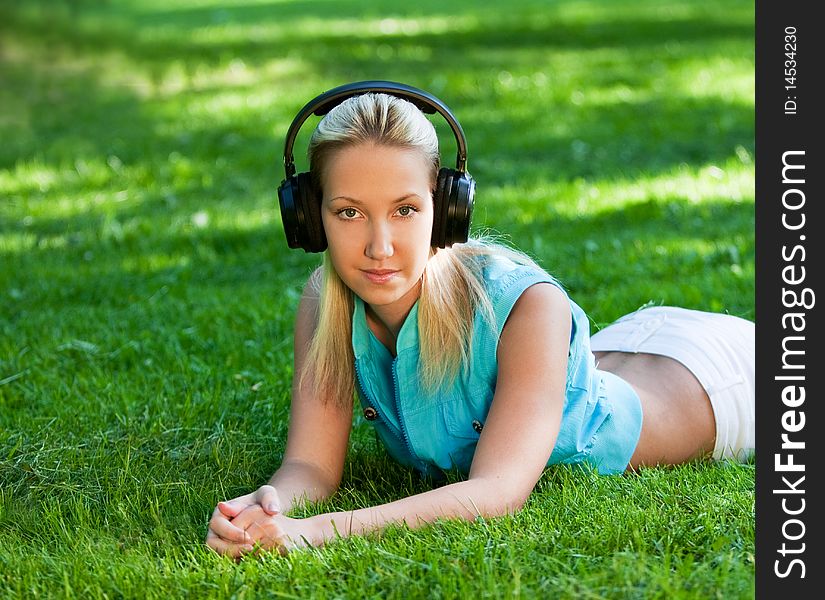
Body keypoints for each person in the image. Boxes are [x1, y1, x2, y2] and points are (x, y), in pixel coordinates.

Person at [205, 82, 755, 558]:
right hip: (633, 346)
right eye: (348, 211)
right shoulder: (326, 299)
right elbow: (312, 467)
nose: (379, 245)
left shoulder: (525, 301)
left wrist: (312, 533)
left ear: (445, 209)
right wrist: (269, 506)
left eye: (406, 210)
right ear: (309, 216)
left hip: (726, 380)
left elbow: (496, 492)